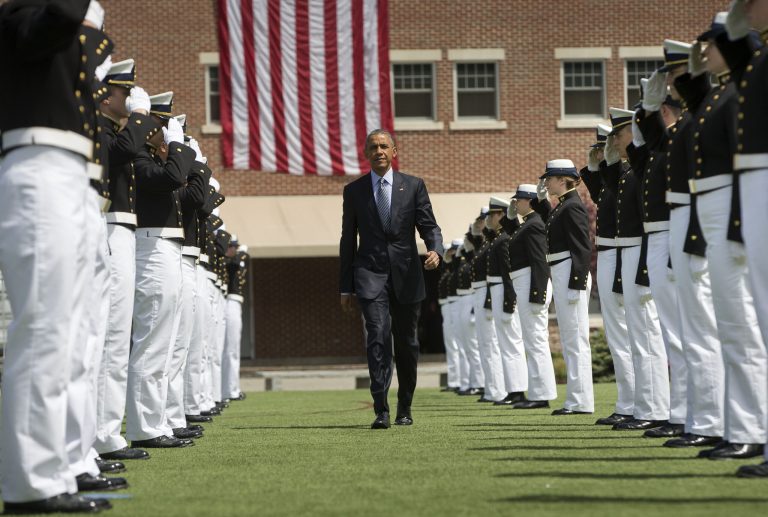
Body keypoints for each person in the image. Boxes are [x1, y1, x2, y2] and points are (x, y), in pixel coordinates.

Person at [0, 0, 114, 512]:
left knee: (73, 333)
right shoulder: (16, 16)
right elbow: (61, 21)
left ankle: (62, 464)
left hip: (70, 173)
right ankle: (31, 482)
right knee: (45, 329)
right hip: (37, 166)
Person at [339, 129, 443, 429]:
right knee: (378, 338)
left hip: (408, 275)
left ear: (394, 151)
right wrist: (345, 286)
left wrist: (435, 249)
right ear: (366, 153)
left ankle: (405, 408)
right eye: (373, 147)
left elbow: (429, 225)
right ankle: (381, 409)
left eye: (384, 146)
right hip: (369, 276)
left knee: (407, 343)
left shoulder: (413, 186)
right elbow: (348, 240)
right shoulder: (354, 191)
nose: (379, 151)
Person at [656, 40, 725, 450]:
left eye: (675, 74)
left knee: (705, 328)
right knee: (691, 329)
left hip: (700, 211)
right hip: (684, 216)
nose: (670, 82)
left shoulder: (707, 108)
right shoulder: (687, 123)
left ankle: (712, 420)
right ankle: (700, 417)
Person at [126, 94, 197, 448]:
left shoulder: (153, 157)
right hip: (151, 247)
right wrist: (179, 149)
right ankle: (145, 427)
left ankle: (157, 422)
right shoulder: (139, 158)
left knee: (165, 343)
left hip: (165, 246)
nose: (164, 132)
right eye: (161, 125)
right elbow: (173, 178)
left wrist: (177, 149)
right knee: (152, 341)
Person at [96, 57, 156, 462]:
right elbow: (122, 151)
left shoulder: (117, 132)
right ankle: (100, 434)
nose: (129, 95)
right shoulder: (101, 129)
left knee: (117, 339)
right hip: (107, 229)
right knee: (109, 339)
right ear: (105, 94)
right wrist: (139, 119)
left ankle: (105, 433)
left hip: (123, 231)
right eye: (124, 89)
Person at [603, 108, 671, 432]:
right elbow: (613, 193)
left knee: (646, 334)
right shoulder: (629, 172)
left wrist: (642, 264)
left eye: (619, 134)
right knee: (638, 334)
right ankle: (643, 406)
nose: (615, 141)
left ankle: (655, 408)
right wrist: (601, 165)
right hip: (629, 251)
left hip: (641, 250)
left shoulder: (641, 167)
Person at [633, 73, 688, 440]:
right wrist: (645, 116)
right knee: (674, 334)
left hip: (673, 232)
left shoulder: (681, 136)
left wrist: (648, 115)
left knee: (684, 334)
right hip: (657, 236)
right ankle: (682, 412)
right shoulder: (660, 147)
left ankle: (688, 414)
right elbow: (642, 156)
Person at [581, 123, 634, 427]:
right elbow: (603, 193)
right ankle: (627, 402)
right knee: (618, 337)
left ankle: (639, 403)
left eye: (608, 145)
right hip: (610, 254)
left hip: (624, 252)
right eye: (601, 148)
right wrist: (593, 166)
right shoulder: (616, 178)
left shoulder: (631, 174)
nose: (603, 152)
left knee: (634, 335)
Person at [540, 159, 594, 415]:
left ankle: (581, 401)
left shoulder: (572, 206)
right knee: (571, 339)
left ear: (562, 179)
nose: (546, 182)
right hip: (561, 269)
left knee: (576, 340)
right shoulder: (563, 205)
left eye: (549, 178)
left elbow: (582, 247)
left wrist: (576, 282)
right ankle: (575, 399)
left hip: (570, 271)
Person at [506, 184, 558, 409]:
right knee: (532, 340)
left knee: (536, 340)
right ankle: (538, 392)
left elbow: (539, 261)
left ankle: (541, 395)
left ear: (529, 200)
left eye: (518, 200)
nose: (515, 203)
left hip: (531, 283)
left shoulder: (534, 224)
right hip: (524, 282)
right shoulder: (526, 224)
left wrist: (538, 294)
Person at [486, 196, 528, 406]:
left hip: (503, 291)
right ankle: (513, 389)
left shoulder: (503, 240)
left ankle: (518, 390)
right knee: (506, 344)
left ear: (501, 215)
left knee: (512, 343)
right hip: (497, 290)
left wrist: (509, 302)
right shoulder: (498, 238)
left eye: (492, 214)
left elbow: (507, 274)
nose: (489, 219)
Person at [438, 244, 461, 392]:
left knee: (457, 345)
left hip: (455, 304)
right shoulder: (448, 272)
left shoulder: (457, 269)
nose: (448, 254)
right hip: (447, 306)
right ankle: (454, 380)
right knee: (451, 346)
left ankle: (458, 380)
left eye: (451, 251)